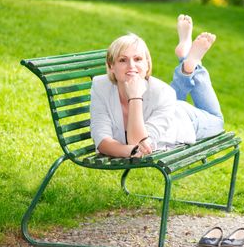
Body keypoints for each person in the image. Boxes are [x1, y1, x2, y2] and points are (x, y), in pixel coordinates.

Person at [90, 14, 224, 158]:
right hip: (164, 105)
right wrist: (131, 151)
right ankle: (186, 60)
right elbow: (102, 140)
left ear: (147, 64)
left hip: (185, 119)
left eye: (138, 59)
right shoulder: (100, 86)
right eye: (123, 60)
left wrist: (135, 97)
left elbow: (138, 141)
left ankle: (191, 64)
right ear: (111, 67)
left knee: (217, 121)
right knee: (168, 95)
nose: (131, 66)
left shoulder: (163, 92)